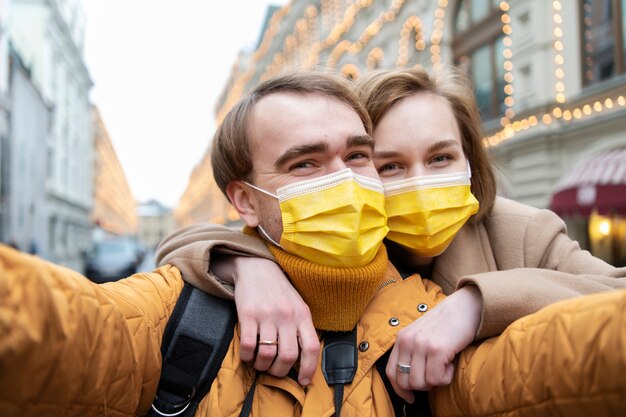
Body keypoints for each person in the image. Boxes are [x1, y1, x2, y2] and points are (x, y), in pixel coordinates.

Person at [156, 67, 626, 415]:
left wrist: (477, 304)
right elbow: (191, 242)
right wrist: (246, 265)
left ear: (469, 160)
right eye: (390, 166)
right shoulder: (331, 234)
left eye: (441, 157)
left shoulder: (517, 231)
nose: (420, 182)